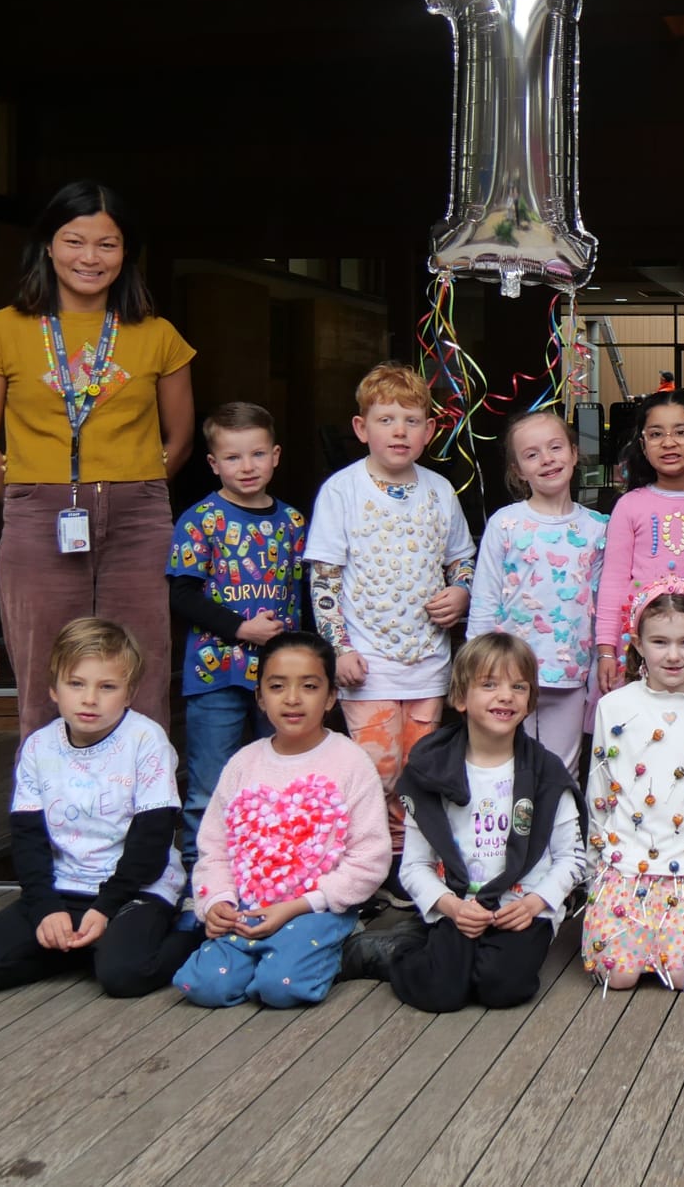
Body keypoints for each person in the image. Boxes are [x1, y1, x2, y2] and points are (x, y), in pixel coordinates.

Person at [0, 181, 196, 732]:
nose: (90, 258)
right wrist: (29, 495)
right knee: (46, 662)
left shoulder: (158, 334)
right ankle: (47, 808)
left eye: (107, 244)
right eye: (74, 241)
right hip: (38, 514)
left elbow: (179, 440)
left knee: (142, 660)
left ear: (126, 253)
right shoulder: (1, 329)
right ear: (47, 244)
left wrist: (133, 488)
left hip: (138, 516)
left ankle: (142, 808)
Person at [0, 618, 200, 997]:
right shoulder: (39, 747)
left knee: (125, 976)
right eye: (76, 684)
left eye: (107, 687)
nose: (90, 699)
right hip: (64, 887)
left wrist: (105, 909)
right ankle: (81, 946)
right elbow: (28, 838)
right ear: (54, 689)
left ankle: (188, 934)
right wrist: (45, 908)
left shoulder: (145, 740)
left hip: (135, 889)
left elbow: (151, 841)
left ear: (129, 693)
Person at [341, 633, 582, 1012]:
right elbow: (415, 865)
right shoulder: (433, 770)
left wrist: (537, 903)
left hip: (521, 907)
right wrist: (451, 907)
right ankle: (392, 951)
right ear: (459, 699)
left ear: (530, 700)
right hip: (458, 904)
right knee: (441, 992)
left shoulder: (544, 772)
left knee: (504, 987)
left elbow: (572, 858)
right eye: (489, 684)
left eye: (518, 686)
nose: (506, 696)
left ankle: (445, 947)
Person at [304, 363, 476, 893]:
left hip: (427, 665)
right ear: (362, 428)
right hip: (368, 667)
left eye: (411, 420)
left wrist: (462, 594)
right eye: (386, 419)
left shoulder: (441, 490)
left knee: (421, 769)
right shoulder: (342, 491)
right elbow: (324, 577)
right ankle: (375, 860)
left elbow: (461, 562)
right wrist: (338, 649)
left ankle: (414, 862)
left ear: (429, 431)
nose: (399, 431)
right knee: (375, 768)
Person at [173, 631, 391, 1007]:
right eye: (277, 686)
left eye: (308, 686)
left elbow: (370, 857)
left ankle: (336, 947)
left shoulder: (350, 762)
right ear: (260, 697)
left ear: (331, 697)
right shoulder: (243, 764)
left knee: (281, 986)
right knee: (205, 985)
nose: (292, 699)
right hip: (248, 910)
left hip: (316, 910)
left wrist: (297, 906)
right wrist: (219, 903)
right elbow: (214, 847)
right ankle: (265, 956)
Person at [167, 401, 310, 875]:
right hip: (217, 676)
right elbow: (182, 595)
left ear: (276, 456)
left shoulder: (292, 524)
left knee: (281, 776)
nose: (246, 467)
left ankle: (274, 868)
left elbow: (305, 596)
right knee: (211, 782)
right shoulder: (199, 520)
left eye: (256, 454)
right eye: (232, 457)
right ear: (213, 464)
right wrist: (239, 628)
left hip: (280, 680)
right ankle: (201, 879)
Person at [580, 578, 684, 990]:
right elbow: (598, 793)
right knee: (618, 974)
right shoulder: (613, 707)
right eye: (660, 641)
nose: (673, 655)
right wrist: (598, 870)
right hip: (625, 868)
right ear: (637, 643)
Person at [467, 408, 609, 776]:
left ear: (574, 454)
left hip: (569, 675)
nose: (547, 460)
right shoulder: (506, 523)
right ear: (518, 470)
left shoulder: (597, 528)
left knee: (561, 772)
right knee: (505, 766)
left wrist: (596, 674)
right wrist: (478, 672)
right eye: (532, 454)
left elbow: (602, 607)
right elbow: (484, 601)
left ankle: (554, 835)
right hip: (507, 673)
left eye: (555, 448)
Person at [595, 388, 684, 690]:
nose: (668, 442)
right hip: (638, 648)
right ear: (643, 445)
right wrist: (606, 649)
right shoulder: (630, 505)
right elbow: (613, 582)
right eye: (656, 434)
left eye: (682, 432)